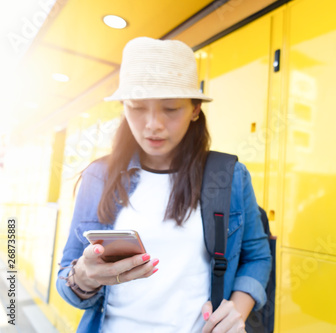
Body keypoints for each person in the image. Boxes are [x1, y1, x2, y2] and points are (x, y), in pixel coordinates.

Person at [56, 37, 272, 333]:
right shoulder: (99, 177)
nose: (153, 124)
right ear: (123, 107)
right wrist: (83, 277)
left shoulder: (230, 176)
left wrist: (238, 308)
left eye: (170, 109)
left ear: (195, 109)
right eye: (137, 107)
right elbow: (67, 280)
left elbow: (257, 255)